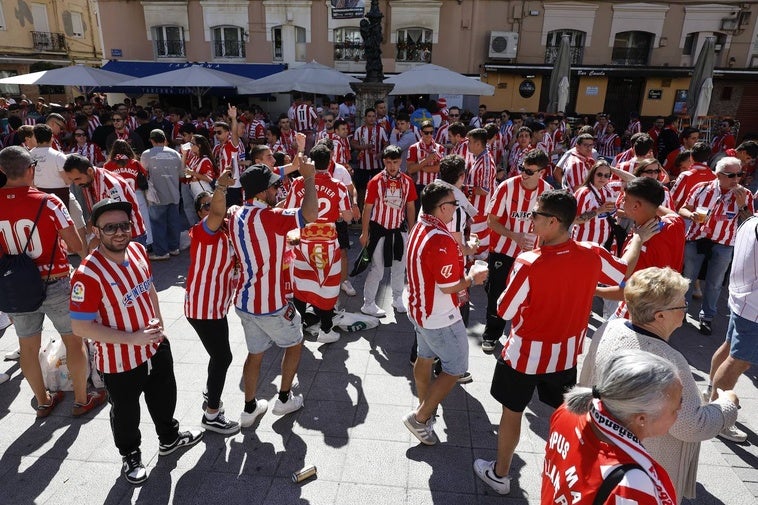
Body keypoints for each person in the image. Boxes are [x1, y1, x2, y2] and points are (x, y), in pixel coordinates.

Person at [473, 190, 656, 495]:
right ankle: (571, 475)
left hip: (523, 355)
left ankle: (501, 474)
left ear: (554, 221)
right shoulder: (592, 253)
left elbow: (503, 309)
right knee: (566, 418)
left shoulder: (529, 261)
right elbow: (622, 271)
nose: (530, 219)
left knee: (512, 412)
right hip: (566, 356)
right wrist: (638, 238)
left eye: (536, 214)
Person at [70, 198, 203, 485]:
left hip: (155, 345)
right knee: (126, 412)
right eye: (110, 228)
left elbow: (150, 288)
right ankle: (130, 455)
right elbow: (80, 326)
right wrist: (132, 338)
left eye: (124, 225)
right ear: (96, 231)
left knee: (165, 396)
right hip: (119, 360)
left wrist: (161, 325)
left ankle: (169, 437)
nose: (119, 232)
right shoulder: (88, 274)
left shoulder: (139, 251)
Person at [581, 267, 740, 501]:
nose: (686, 308)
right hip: (647, 469)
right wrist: (726, 406)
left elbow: (586, 381)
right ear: (660, 315)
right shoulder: (670, 362)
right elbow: (691, 426)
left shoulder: (610, 327)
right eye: (681, 304)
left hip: (604, 452)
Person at [0, 145, 104, 417]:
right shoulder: (49, 202)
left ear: (2, 171)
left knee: (27, 347)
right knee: (73, 340)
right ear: (30, 170)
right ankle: (81, 400)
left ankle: (43, 401)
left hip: (16, 286)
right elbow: (74, 242)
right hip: (55, 280)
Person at [228, 161, 318, 428]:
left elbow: (262, 232)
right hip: (271, 304)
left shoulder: (236, 213)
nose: (277, 189)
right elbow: (310, 214)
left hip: (244, 301)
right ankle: (283, 398)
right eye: (273, 186)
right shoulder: (270, 217)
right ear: (261, 192)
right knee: (295, 342)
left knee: (255, 354)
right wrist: (309, 178)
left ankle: (249, 408)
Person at [402, 181, 488, 445]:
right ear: (441, 208)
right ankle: (420, 417)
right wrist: (473, 278)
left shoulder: (423, 226)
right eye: (453, 203)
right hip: (438, 316)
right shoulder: (439, 238)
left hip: (419, 309)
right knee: (456, 368)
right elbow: (449, 285)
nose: (456, 208)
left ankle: (424, 410)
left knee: (425, 357)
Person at [542, 349, 681, 505]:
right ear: (642, 418)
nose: (679, 412)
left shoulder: (569, 411)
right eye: (675, 409)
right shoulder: (632, 485)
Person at [185, 172, 240, 435]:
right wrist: (220, 187)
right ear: (200, 213)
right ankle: (212, 414)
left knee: (217, 355)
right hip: (203, 308)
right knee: (223, 356)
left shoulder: (225, 231)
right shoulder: (204, 230)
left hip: (213, 307)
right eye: (205, 205)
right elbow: (217, 213)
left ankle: (210, 393)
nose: (212, 208)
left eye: (213, 203)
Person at [481, 149, 551, 352]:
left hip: (533, 254)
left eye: (529, 171)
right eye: (522, 168)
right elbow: (491, 221)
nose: (524, 174)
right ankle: (492, 334)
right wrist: (515, 236)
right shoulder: (506, 187)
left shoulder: (547, 193)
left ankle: (523, 336)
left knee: (531, 297)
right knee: (496, 292)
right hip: (504, 250)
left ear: (542, 172)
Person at [285, 144, 352, 343]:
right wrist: (336, 214)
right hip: (329, 243)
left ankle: (297, 326)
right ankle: (325, 329)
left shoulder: (297, 183)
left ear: (312, 163)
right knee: (327, 286)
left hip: (303, 241)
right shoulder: (338, 186)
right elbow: (348, 217)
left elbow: (288, 212)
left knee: (301, 282)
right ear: (330, 161)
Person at [679, 157, 754, 335]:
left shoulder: (745, 194)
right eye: (731, 175)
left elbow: (749, 221)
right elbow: (683, 208)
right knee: (688, 277)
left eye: (739, 174)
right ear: (718, 175)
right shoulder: (702, 188)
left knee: (715, 283)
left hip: (724, 243)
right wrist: (691, 215)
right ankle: (680, 310)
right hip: (697, 238)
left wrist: (742, 205)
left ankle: (707, 317)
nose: (736, 179)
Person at [706, 213, 758, 444]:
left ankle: (712, 397)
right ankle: (719, 418)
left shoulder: (751, 220)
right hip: (753, 305)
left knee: (729, 350)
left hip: (742, 297)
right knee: (739, 361)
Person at [359, 145, 417, 317]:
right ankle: (368, 303)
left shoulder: (407, 181)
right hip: (378, 230)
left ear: (401, 161)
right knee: (377, 269)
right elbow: (367, 209)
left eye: (396, 162)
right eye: (389, 162)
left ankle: (397, 298)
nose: (392, 166)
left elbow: (411, 206)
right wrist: (364, 232)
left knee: (400, 266)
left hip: (399, 230)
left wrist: (412, 229)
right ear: (384, 161)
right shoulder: (375, 181)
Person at [64, 153, 147, 250]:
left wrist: (96, 239)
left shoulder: (111, 184)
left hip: (130, 236)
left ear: (90, 171)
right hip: (111, 234)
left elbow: (120, 217)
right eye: (73, 180)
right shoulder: (88, 181)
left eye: (78, 179)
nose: (77, 184)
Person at [140, 129, 184, 260]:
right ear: (165, 139)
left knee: (158, 224)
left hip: (157, 196)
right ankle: (174, 248)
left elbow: (143, 171)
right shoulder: (176, 153)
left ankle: (162, 252)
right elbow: (182, 174)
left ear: (152, 140)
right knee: (174, 222)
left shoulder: (146, 154)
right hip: (174, 194)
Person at [572, 160, 616, 246]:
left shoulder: (608, 190)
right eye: (599, 174)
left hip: (603, 244)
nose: (602, 178)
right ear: (592, 174)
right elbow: (575, 219)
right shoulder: (583, 193)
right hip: (584, 243)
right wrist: (599, 210)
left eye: (606, 175)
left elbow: (633, 180)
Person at [30, 124, 69, 205]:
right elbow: (67, 180)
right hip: (60, 195)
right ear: (52, 137)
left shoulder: (28, 155)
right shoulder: (58, 156)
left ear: (35, 138)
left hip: (38, 194)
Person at [407, 120, 445, 197]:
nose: (429, 135)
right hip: (418, 186)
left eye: (431, 132)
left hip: (434, 186)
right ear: (421, 132)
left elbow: (439, 168)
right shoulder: (413, 148)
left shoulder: (439, 148)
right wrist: (427, 160)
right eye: (426, 133)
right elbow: (410, 169)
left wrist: (421, 167)